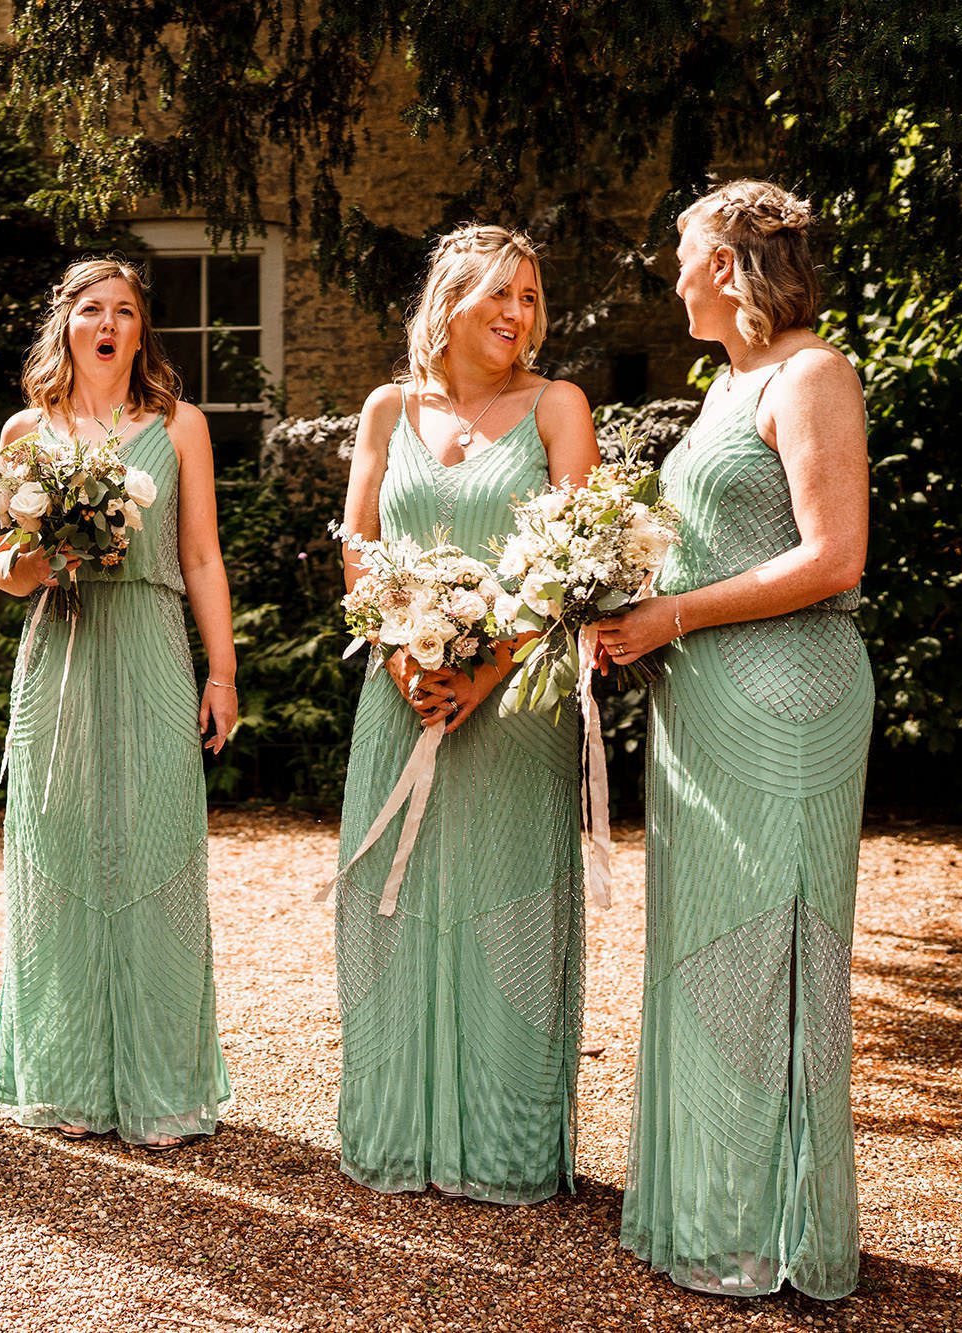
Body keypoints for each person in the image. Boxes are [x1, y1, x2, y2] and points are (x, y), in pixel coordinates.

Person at [601, 179, 872, 1299]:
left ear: (726, 262)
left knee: (771, 952)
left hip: (787, 701)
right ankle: (704, 1206)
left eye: (680, 256)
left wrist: (671, 613)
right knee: (704, 944)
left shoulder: (813, 373)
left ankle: (778, 1228)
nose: (670, 278)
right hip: (701, 704)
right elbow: (712, 540)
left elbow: (831, 557)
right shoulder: (727, 384)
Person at [334, 223, 599, 1201]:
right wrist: (402, 650)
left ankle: (500, 1143)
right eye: (497, 293)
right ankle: (398, 1129)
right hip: (395, 692)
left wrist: (482, 672)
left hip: (514, 703)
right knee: (392, 906)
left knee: (504, 908)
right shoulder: (384, 409)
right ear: (447, 302)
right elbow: (358, 544)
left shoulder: (555, 407)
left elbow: (573, 562)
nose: (516, 313)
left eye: (528, 297)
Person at [0, 258, 236, 1149]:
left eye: (125, 311)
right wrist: (43, 558)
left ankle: (161, 1082)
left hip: (151, 643)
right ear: (67, 325)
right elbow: (1, 570)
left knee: (156, 848)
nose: (109, 322)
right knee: (60, 852)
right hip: (62, 649)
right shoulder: (27, 431)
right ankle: (70, 1077)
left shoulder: (180, 427)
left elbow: (201, 555)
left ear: (140, 331)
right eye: (92, 308)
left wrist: (223, 670)